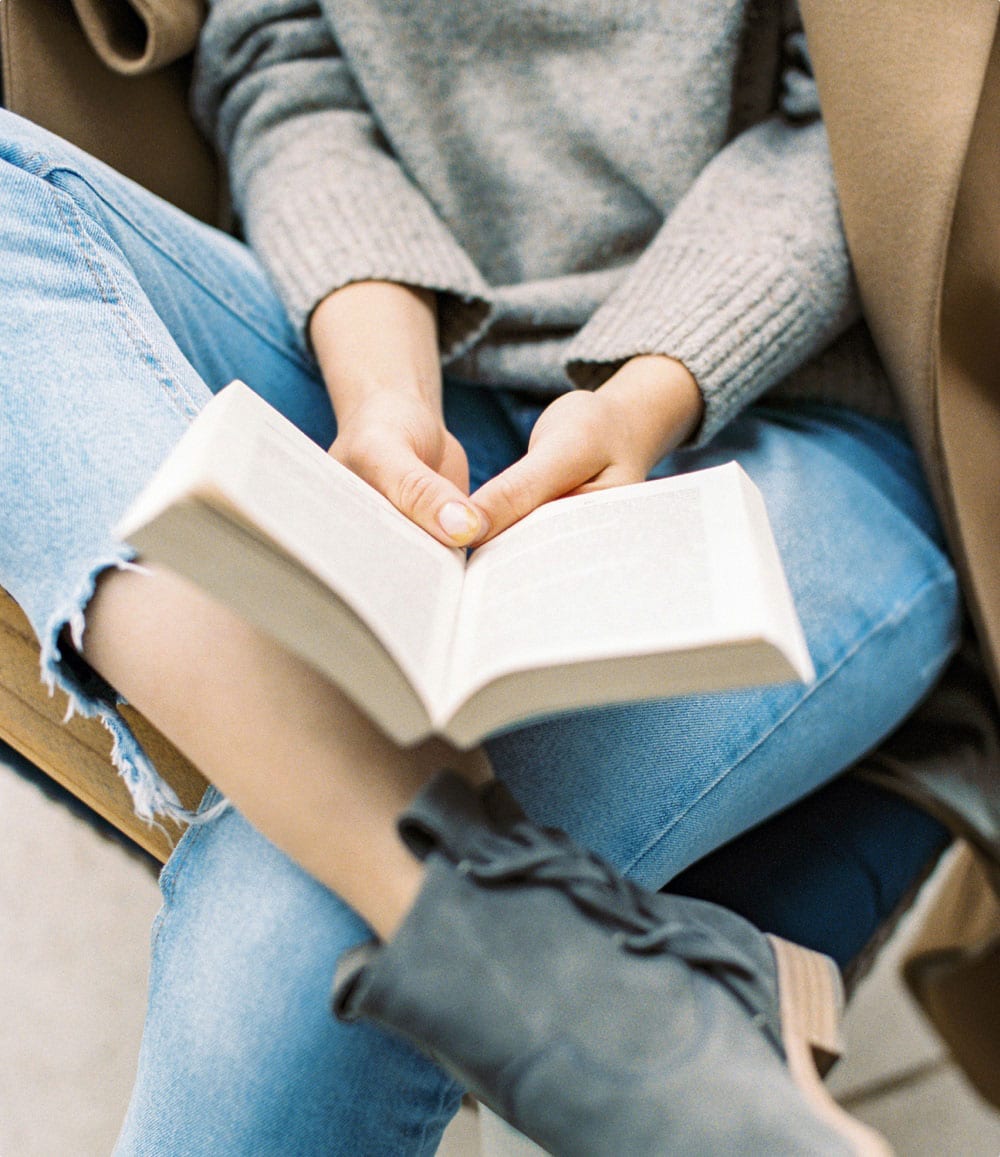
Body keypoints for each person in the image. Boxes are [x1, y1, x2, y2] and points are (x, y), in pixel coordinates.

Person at [0, 0, 961, 1152]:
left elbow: (865, 117)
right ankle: (507, 930)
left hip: (781, 415)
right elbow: (281, 55)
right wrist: (382, 384)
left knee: (296, 918)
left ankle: (442, 893)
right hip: (397, 355)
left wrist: (641, 392)